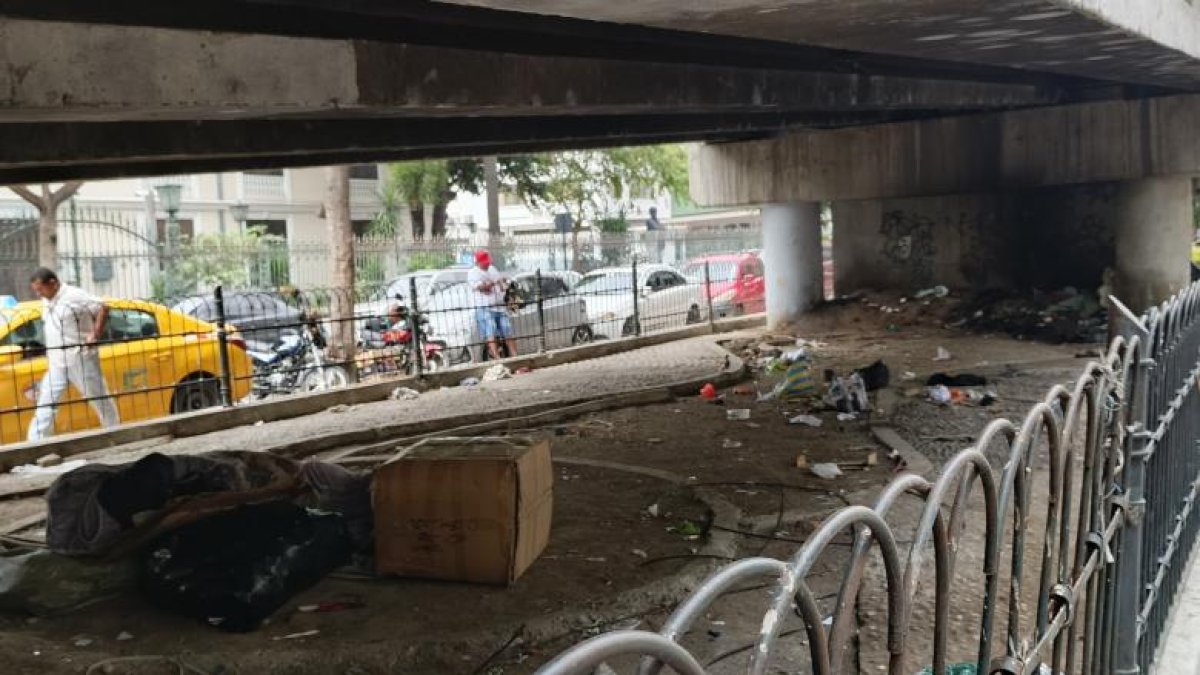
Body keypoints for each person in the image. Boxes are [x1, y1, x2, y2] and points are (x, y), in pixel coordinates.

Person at [26, 267, 120, 441]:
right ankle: (34, 443)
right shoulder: (48, 300)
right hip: (57, 361)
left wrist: (95, 334)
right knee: (46, 403)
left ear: (53, 283)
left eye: (41, 289)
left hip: (79, 357)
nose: (39, 294)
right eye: (36, 291)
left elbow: (103, 307)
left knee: (98, 397)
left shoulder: (74, 295)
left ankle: (114, 432)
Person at [467, 250, 517, 360]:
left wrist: (502, 284)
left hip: (499, 306)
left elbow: (500, 284)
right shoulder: (473, 273)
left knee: (507, 330)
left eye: (487, 262)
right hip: (484, 307)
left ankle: (515, 356)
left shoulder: (492, 269)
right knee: (491, 331)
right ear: (478, 262)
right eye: (484, 262)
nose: (487, 264)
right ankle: (497, 357)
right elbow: (483, 288)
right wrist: (493, 283)